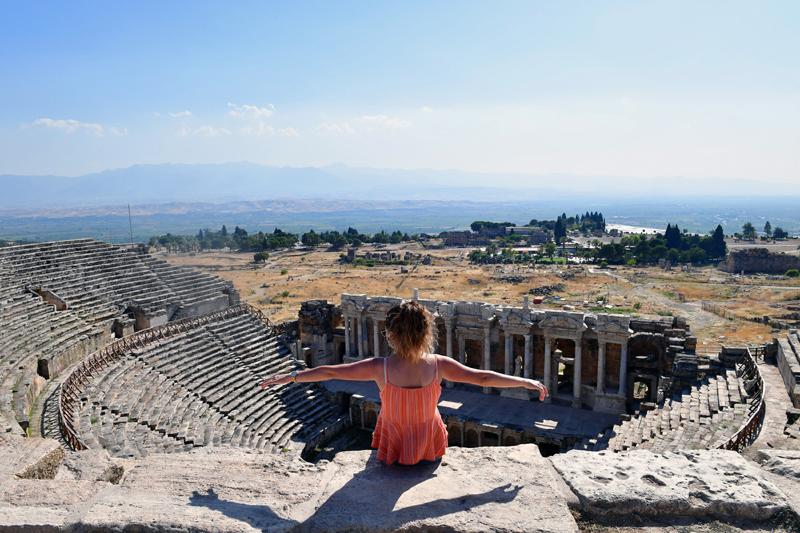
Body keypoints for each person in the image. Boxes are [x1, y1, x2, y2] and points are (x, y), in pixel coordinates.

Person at [261, 300, 548, 465]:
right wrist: (523, 381)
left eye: (386, 330)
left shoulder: (379, 367)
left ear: (390, 334)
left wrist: (292, 376)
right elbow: (483, 377)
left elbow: (330, 372)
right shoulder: (439, 365)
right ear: (425, 333)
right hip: (428, 436)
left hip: (394, 434)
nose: (384, 334)